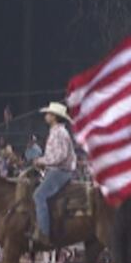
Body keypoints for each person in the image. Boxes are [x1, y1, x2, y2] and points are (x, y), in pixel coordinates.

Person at [30, 102, 76, 246]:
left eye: (49, 114)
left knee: (39, 195)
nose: (46, 116)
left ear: (54, 117)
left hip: (61, 171)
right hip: (58, 170)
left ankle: (44, 233)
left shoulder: (59, 133)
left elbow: (60, 156)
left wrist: (42, 161)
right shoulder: (57, 132)